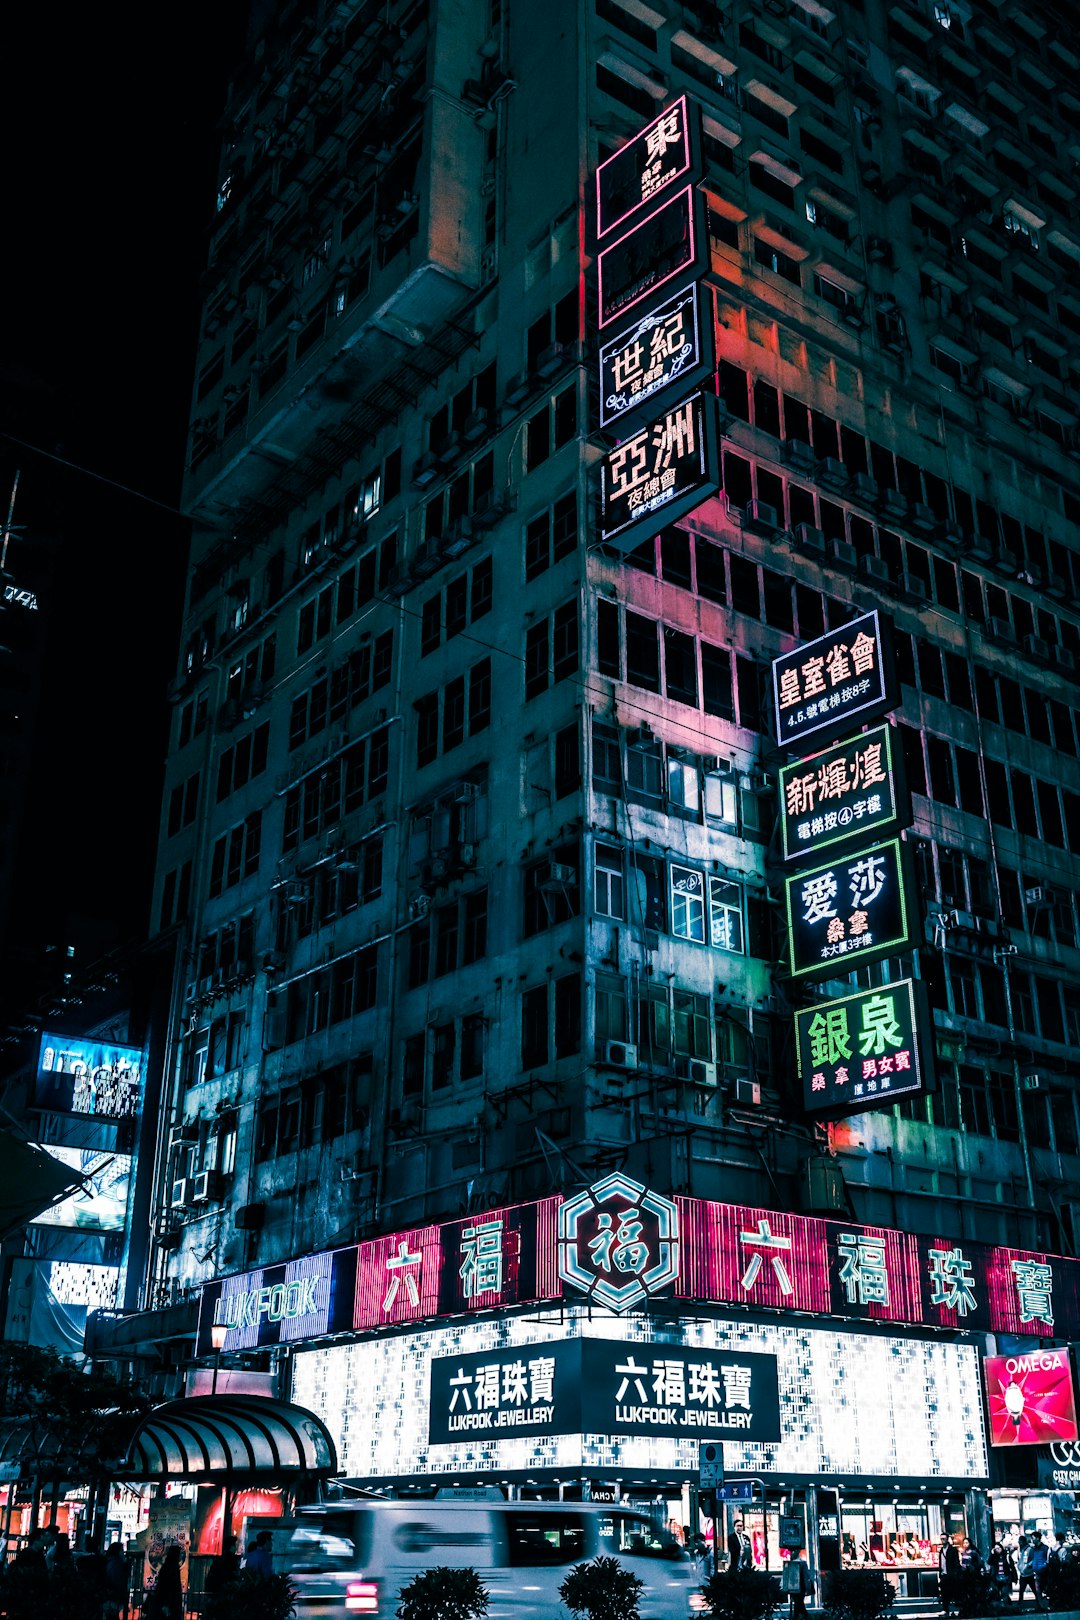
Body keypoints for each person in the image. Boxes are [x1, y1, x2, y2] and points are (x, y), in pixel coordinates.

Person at [204, 1532, 241, 1614]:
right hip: (224, 1592)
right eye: (234, 1545)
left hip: (215, 1590)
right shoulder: (230, 1559)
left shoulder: (220, 1558)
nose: (235, 1548)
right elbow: (230, 1575)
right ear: (230, 1546)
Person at [145, 1544, 184, 1620]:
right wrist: (166, 1604)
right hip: (170, 1602)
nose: (181, 1556)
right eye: (180, 1553)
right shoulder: (173, 1567)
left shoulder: (167, 1566)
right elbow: (168, 1587)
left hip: (166, 1602)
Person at [102, 1542, 128, 1620]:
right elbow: (116, 1581)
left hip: (110, 1596)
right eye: (122, 1550)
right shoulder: (116, 1563)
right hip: (114, 1596)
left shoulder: (111, 1562)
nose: (123, 1553)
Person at [987, 1538, 1016, 1607]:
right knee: (997, 1594)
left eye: (998, 1548)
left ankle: (1007, 1606)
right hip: (997, 1578)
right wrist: (992, 1554)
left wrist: (1014, 1578)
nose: (997, 1550)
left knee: (1004, 1593)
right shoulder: (994, 1557)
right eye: (996, 1549)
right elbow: (989, 1562)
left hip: (1005, 1578)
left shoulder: (1007, 1556)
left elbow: (1012, 1567)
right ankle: (1007, 1605)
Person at [939, 1531, 961, 1616]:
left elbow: (956, 1562)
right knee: (944, 1593)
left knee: (954, 1592)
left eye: (944, 1539)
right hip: (944, 1574)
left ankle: (957, 1609)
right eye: (941, 1539)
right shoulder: (941, 1550)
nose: (942, 1540)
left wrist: (955, 1573)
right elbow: (941, 1562)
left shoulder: (952, 1550)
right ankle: (945, 1609)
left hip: (951, 1574)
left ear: (947, 1539)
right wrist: (940, 1573)